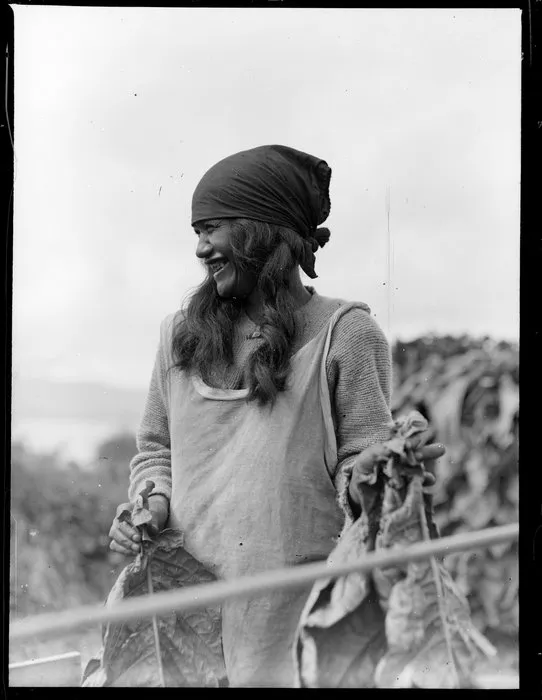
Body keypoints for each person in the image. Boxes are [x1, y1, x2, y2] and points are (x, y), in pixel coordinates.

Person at [108, 145, 445, 688]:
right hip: (185, 606)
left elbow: (358, 463)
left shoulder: (347, 333)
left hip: (292, 609)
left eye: (211, 229)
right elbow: (156, 450)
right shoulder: (179, 335)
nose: (200, 248)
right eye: (196, 232)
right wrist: (150, 504)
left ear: (260, 230)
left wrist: (383, 475)